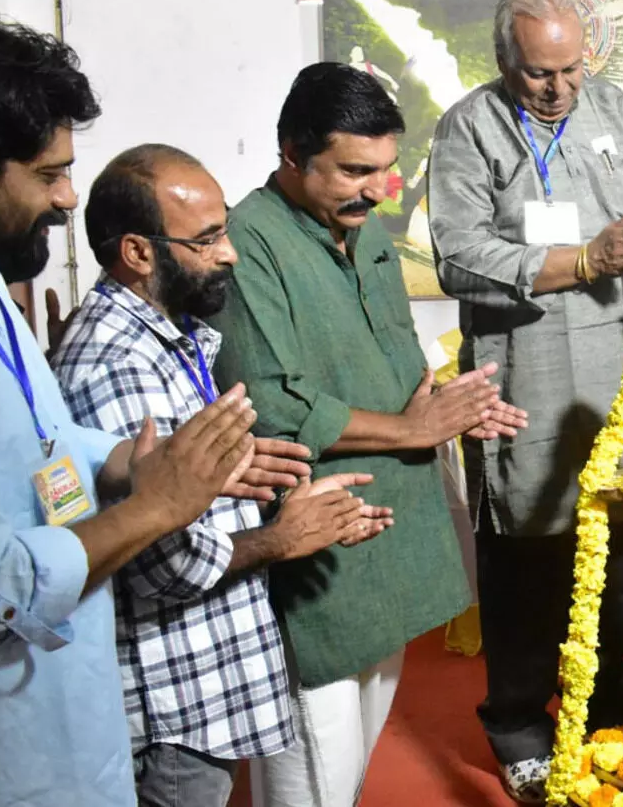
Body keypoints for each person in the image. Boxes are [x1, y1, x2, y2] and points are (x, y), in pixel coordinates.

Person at [0, 10, 307, 807]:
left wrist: (133, 463)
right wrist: (157, 507)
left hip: (77, 715)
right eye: (47, 174)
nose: (65, 200)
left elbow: (42, 446)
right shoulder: (106, 347)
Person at [208, 62, 528, 807]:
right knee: (313, 775)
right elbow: (274, 401)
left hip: (394, 532)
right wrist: (414, 425)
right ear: (292, 153)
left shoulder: (365, 224)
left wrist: (447, 404)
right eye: (354, 170)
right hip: (317, 541)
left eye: (386, 170)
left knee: (350, 772)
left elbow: (396, 357)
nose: (376, 189)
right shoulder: (247, 241)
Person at [52, 144, 394, 807]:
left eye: (225, 229)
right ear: (138, 252)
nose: (230, 253)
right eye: (206, 239)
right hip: (173, 716)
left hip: (204, 696)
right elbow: (161, 563)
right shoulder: (118, 365)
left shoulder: (173, 337)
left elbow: (191, 499)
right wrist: (279, 540)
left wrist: (287, 506)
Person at [426, 0, 623, 803]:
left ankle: (610, 688)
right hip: (526, 376)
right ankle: (516, 719)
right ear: (505, 61)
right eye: (541, 75)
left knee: (620, 543)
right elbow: (457, 255)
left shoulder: (613, 107)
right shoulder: (469, 128)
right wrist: (580, 262)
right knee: (529, 553)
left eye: (573, 70)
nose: (560, 89)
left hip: (620, 372)